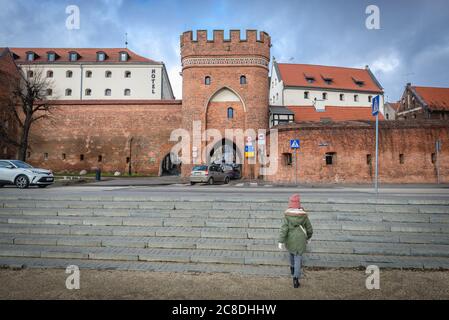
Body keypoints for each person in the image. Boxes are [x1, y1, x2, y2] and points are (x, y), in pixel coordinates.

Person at [278, 194, 313, 288]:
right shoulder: (304, 216)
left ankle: (292, 268)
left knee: (291, 253)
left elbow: (284, 229)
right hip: (301, 239)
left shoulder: (287, 216)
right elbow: (309, 228)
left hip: (290, 239)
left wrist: (280, 241)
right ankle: (295, 279)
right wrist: (309, 237)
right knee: (298, 258)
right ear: (298, 204)